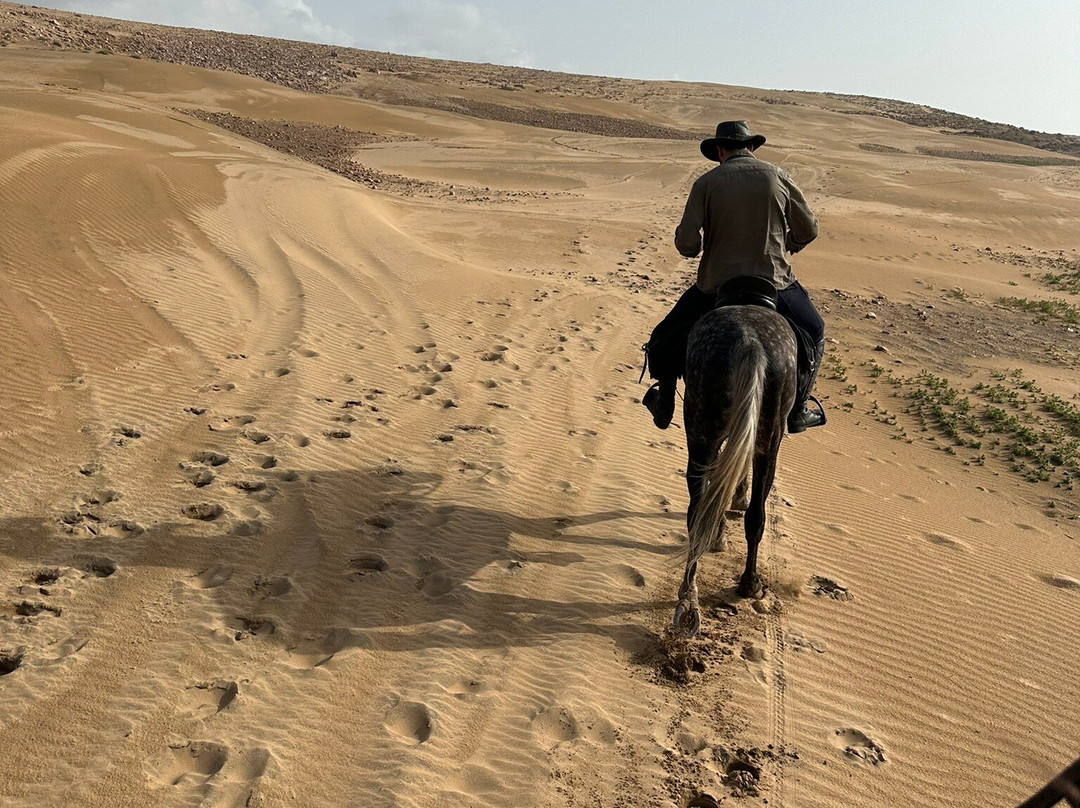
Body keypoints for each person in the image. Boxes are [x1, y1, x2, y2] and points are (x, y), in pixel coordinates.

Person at [642, 120, 826, 434]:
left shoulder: (707, 182)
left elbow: (686, 241)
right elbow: (809, 228)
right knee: (815, 330)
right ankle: (798, 410)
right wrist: (790, 244)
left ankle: (665, 403)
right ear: (751, 147)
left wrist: (696, 248)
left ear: (719, 150)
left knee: (664, 336)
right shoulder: (778, 176)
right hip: (775, 282)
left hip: (716, 285)